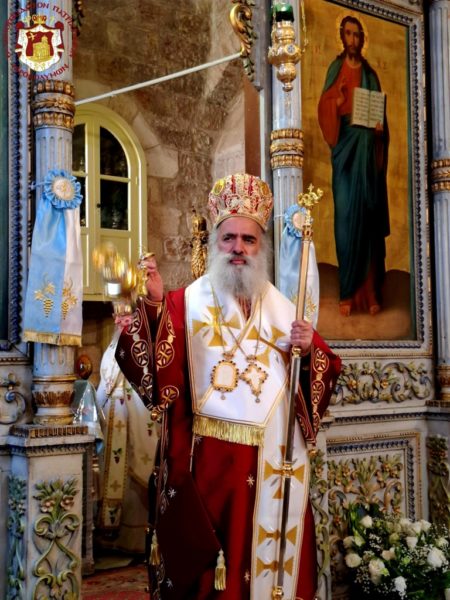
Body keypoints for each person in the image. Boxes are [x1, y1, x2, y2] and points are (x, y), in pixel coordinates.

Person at [115, 173, 341, 599]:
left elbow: (322, 373)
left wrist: (309, 349)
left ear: (260, 246)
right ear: (215, 243)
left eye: (248, 240)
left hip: (274, 463)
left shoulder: (283, 308)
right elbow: (153, 374)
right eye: (229, 238)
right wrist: (153, 307)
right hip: (210, 471)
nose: (239, 248)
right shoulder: (185, 303)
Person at [318, 15, 390, 316]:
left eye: (357, 35)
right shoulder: (336, 69)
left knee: (368, 219)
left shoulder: (370, 75)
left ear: (361, 39)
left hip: (367, 152)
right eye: (348, 34)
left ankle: (370, 293)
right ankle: (347, 291)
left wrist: (379, 131)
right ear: (342, 36)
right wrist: (336, 103)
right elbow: (324, 108)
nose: (353, 40)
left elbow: (380, 117)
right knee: (347, 218)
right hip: (346, 150)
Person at [96, 311, 159, 554]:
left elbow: (147, 382)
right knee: (112, 473)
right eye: (120, 321)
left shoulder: (143, 348)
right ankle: (111, 536)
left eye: (127, 320)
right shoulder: (112, 347)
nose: (122, 325)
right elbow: (105, 382)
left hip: (136, 419)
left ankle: (134, 539)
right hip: (114, 418)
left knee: (136, 473)